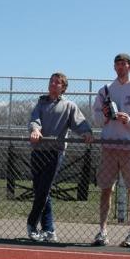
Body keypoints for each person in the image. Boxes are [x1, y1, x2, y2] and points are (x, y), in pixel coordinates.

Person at [91, 53, 130, 248]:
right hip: (109, 146)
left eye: (124, 64)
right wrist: (104, 116)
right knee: (105, 189)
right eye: (117, 64)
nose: (120, 67)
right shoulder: (105, 90)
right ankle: (102, 231)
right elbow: (96, 118)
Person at [27, 72, 93, 242]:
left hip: (55, 153)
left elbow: (79, 123)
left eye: (57, 82)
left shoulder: (69, 106)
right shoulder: (41, 103)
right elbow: (34, 120)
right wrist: (35, 130)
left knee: (43, 191)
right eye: (51, 81)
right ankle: (49, 230)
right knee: (41, 191)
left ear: (63, 87)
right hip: (38, 152)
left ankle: (32, 225)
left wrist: (86, 132)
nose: (53, 84)